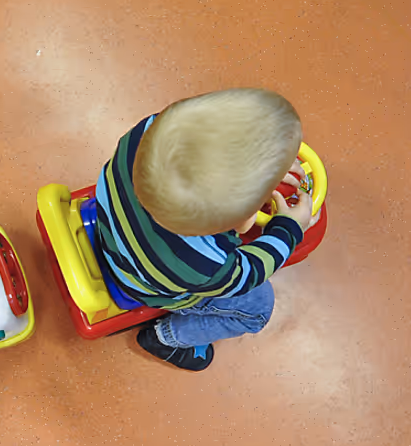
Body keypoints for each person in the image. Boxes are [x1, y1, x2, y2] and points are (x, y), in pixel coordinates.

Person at [95, 88, 316, 371]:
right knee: (259, 307)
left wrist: (264, 172)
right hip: (145, 285)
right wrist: (287, 229)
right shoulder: (209, 266)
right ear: (244, 220)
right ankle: (166, 338)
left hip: (113, 228)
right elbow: (249, 273)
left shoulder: (146, 132)